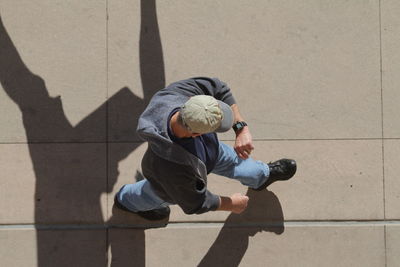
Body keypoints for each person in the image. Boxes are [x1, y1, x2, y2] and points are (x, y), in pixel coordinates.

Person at [114, 77, 297, 220]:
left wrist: (241, 129)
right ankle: (126, 201)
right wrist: (232, 204)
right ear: (196, 134)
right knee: (150, 194)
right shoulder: (173, 167)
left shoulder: (175, 95)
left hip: (213, 153)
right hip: (167, 183)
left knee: (238, 162)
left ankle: (261, 177)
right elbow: (195, 203)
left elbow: (218, 87)